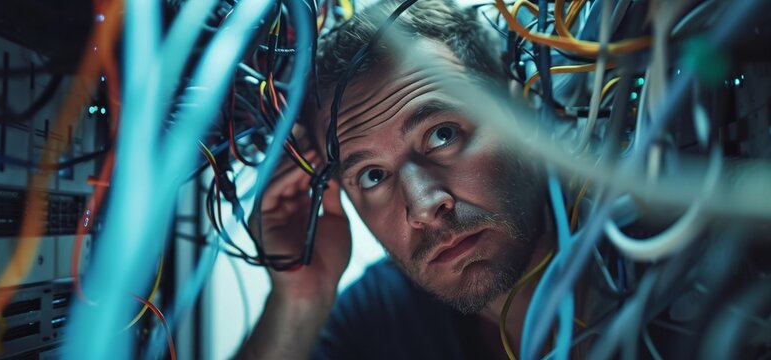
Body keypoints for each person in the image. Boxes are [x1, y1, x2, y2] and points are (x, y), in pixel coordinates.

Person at [237, 0, 572, 358]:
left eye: (443, 134)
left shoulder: (632, 249)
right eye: (373, 175)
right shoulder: (380, 317)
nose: (424, 207)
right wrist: (299, 300)